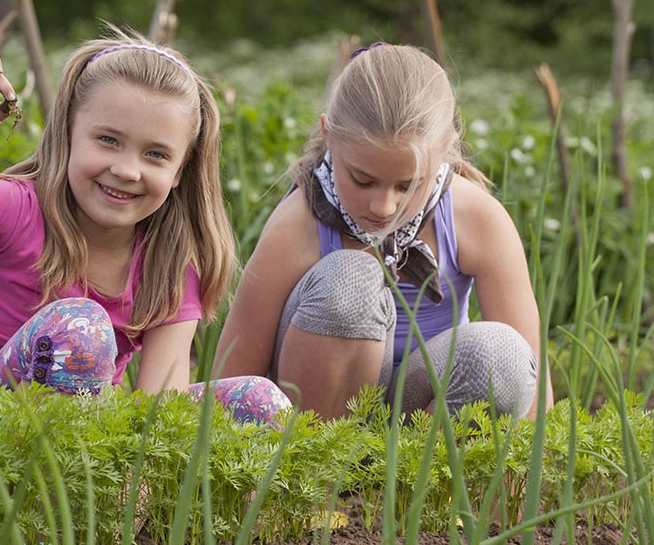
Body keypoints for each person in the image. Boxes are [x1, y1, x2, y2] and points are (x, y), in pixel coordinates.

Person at [0, 30, 291, 425]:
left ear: (180, 171)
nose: (127, 170)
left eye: (156, 154)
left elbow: (160, 413)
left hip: (89, 466)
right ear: (68, 132)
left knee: (260, 401)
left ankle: (199, 521)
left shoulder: (170, 263)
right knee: (82, 327)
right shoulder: (12, 207)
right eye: (108, 140)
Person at [215, 42, 552, 422]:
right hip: (316, 416)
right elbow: (233, 381)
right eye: (362, 180)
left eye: (407, 185)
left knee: (503, 356)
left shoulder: (475, 217)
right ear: (328, 135)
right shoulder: (300, 223)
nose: (383, 207)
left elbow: (533, 391)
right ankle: (323, 475)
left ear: (444, 152)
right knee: (352, 280)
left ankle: (415, 482)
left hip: (417, 417)